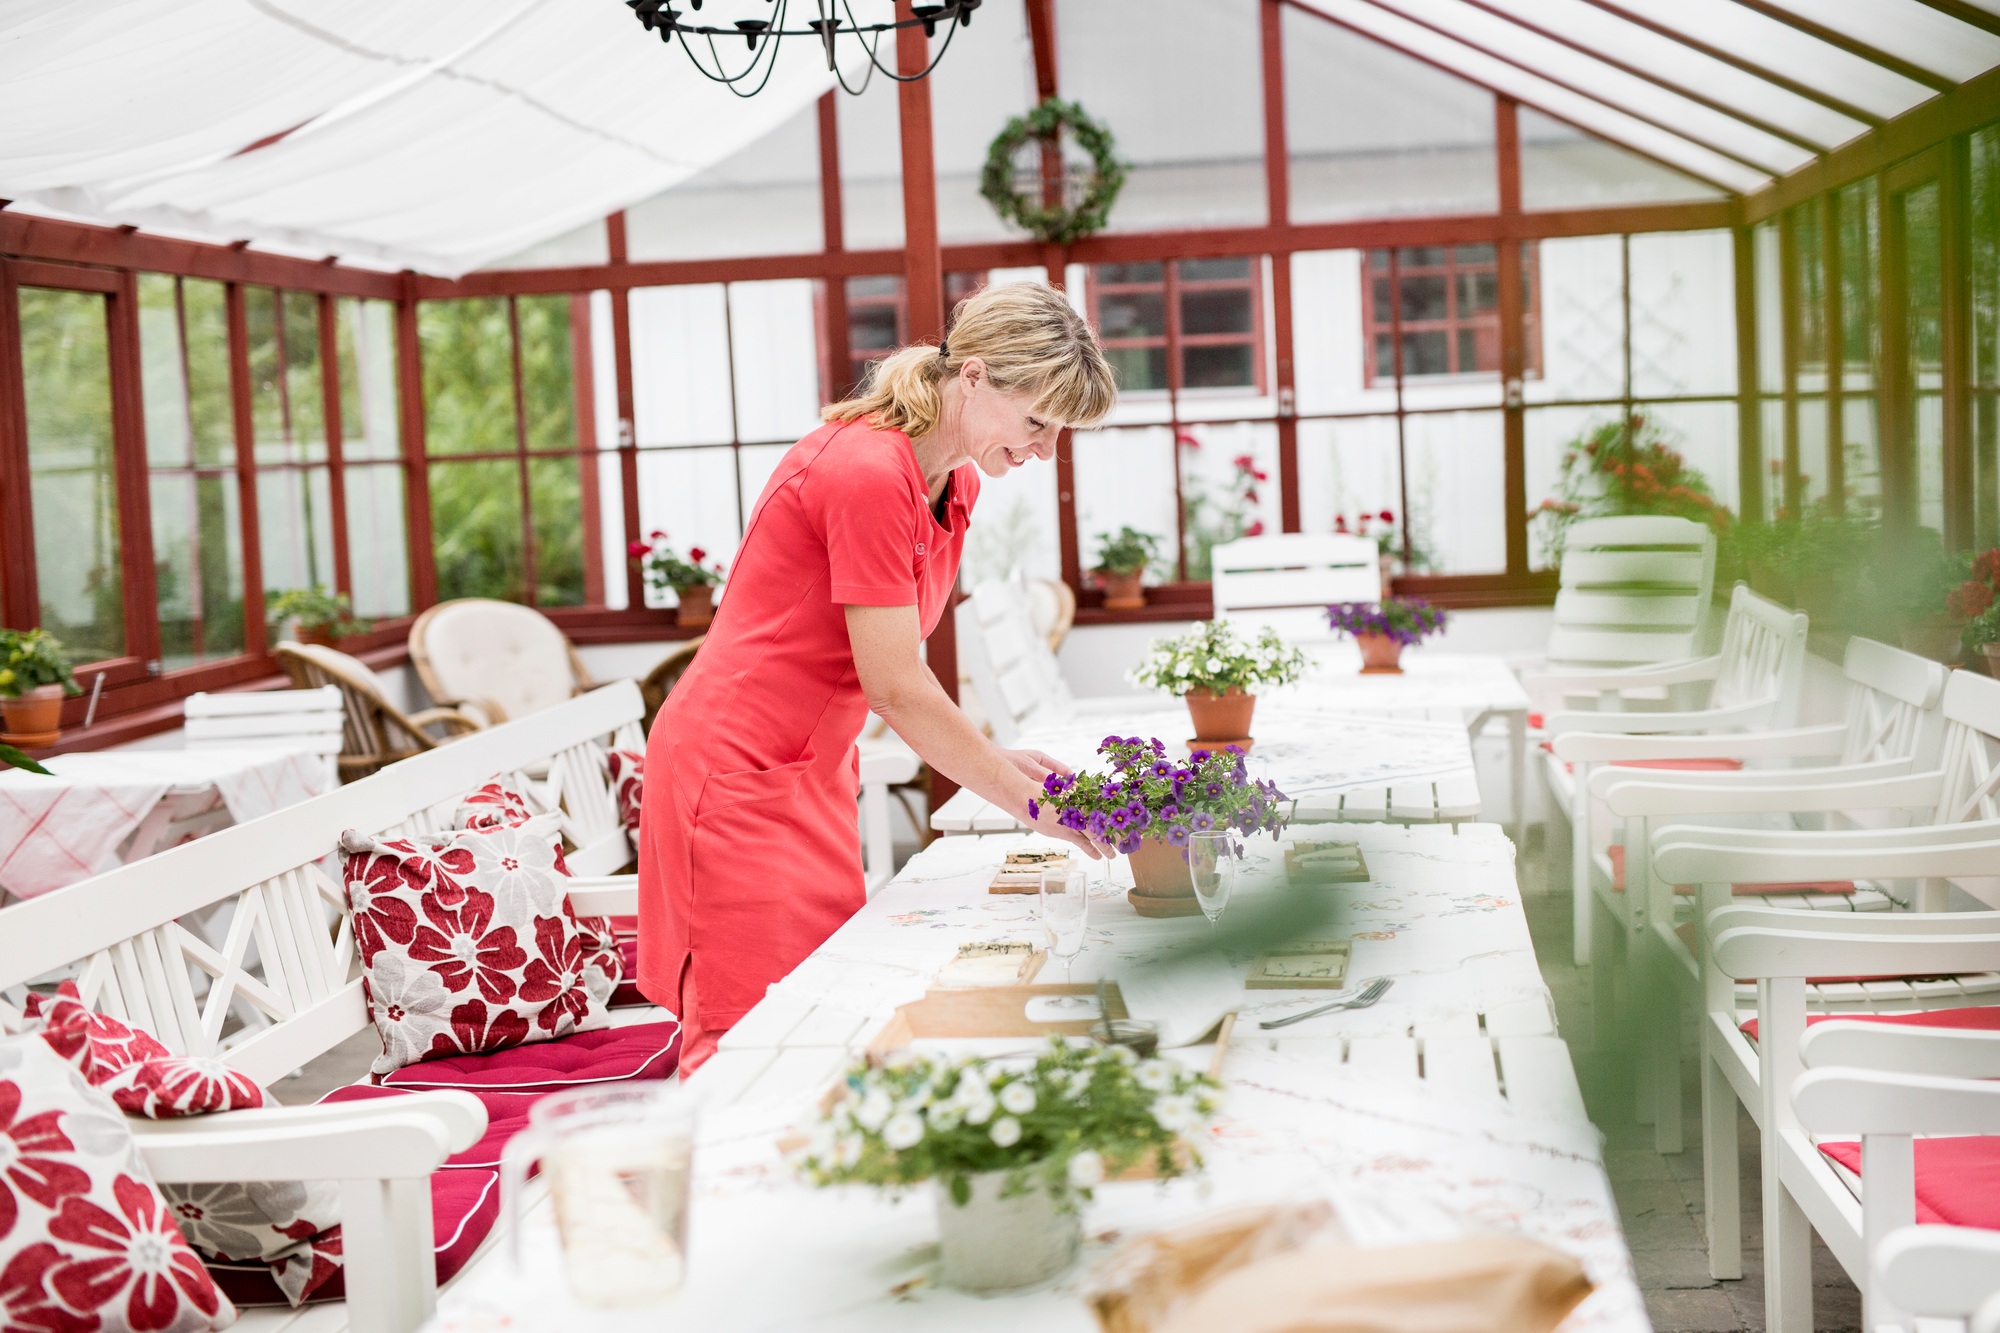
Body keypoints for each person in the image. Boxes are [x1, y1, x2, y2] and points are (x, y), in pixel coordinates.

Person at [635, 281, 1119, 1071]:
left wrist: (1004, 759)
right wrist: (1023, 798)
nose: (1044, 451)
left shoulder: (952, 480)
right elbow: (894, 686)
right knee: (743, 1042)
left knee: (819, 1020)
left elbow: (899, 672)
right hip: (733, 773)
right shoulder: (866, 470)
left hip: (812, 771)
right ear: (975, 377)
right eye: (1037, 421)